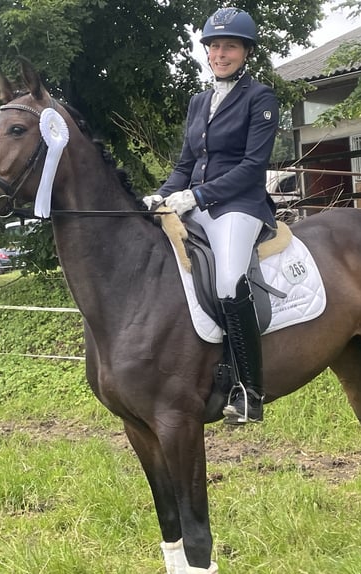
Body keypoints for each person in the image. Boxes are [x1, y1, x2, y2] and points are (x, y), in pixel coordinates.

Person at [144, 7, 279, 424]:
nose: (221, 53)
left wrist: (196, 196)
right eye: (215, 46)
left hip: (239, 206)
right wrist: (163, 194)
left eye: (230, 47)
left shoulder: (261, 98)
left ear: (245, 52)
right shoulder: (199, 101)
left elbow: (253, 167)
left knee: (226, 281)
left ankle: (249, 390)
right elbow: (187, 162)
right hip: (197, 203)